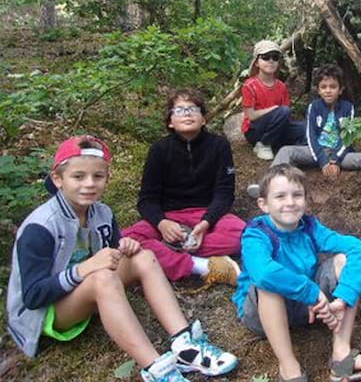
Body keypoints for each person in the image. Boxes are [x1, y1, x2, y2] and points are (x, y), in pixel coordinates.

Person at [6, 136, 237, 381]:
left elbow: (112, 250)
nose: (89, 184)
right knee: (102, 279)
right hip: (48, 312)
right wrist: (82, 270)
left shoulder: (102, 212)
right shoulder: (41, 227)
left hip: (88, 287)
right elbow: (32, 297)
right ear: (58, 179)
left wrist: (124, 246)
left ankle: (185, 344)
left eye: (98, 176)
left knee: (144, 256)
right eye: (78, 176)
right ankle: (156, 368)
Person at [233, 164, 361, 382]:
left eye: (297, 195)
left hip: (309, 307)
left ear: (306, 201)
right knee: (267, 284)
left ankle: (341, 355)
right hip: (263, 313)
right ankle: (289, 368)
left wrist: (343, 299)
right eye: (280, 196)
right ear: (264, 204)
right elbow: (263, 273)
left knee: (344, 261)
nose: (290, 202)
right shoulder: (255, 235)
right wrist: (312, 292)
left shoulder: (310, 227)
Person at [123, 89, 245, 285]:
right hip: (170, 217)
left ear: (203, 119)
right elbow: (147, 199)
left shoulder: (219, 145)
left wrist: (205, 223)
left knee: (242, 235)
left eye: (193, 109)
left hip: (205, 214)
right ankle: (199, 265)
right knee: (127, 238)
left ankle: (167, 250)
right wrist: (162, 223)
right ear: (170, 122)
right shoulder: (159, 150)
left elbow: (224, 193)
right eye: (179, 110)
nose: (187, 113)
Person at [246, 64, 361, 203]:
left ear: (340, 90)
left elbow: (347, 138)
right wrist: (323, 161)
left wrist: (334, 160)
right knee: (286, 151)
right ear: (319, 90)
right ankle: (267, 185)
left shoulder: (348, 108)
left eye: (332, 87)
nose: (328, 90)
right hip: (315, 152)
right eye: (324, 87)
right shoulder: (314, 107)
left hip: (340, 154)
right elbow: (310, 135)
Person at [242, 40, 306, 161]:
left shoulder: (281, 86)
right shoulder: (249, 85)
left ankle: (279, 143)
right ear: (256, 62)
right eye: (265, 57)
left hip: (276, 126)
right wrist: (274, 109)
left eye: (275, 57)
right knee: (283, 111)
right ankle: (264, 144)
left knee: (305, 127)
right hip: (255, 129)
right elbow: (251, 115)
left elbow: (285, 118)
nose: (271, 61)